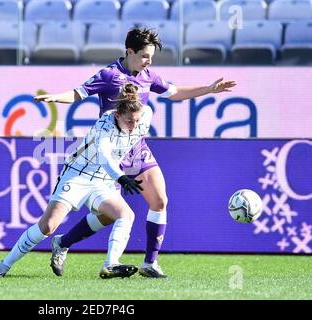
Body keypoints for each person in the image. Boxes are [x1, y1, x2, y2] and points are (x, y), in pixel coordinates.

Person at [34, 27, 237, 278]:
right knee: (106, 217)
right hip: (112, 156)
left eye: (151, 56)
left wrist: (208, 89)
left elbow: (174, 93)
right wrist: (55, 97)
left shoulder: (148, 76)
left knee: (160, 200)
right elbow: (79, 93)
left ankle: (150, 263)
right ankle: (62, 243)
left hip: (138, 151)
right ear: (129, 52)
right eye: (144, 56)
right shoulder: (109, 75)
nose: (149, 61)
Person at [0, 83, 153, 279]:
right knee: (48, 226)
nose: (134, 126)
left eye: (136, 121)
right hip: (78, 175)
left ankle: (110, 264)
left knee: (124, 215)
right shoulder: (105, 124)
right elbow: (104, 156)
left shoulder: (146, 114)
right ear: (117, 115)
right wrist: (120, 177)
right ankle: (4, 265)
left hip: (103, 180)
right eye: (129, 121)